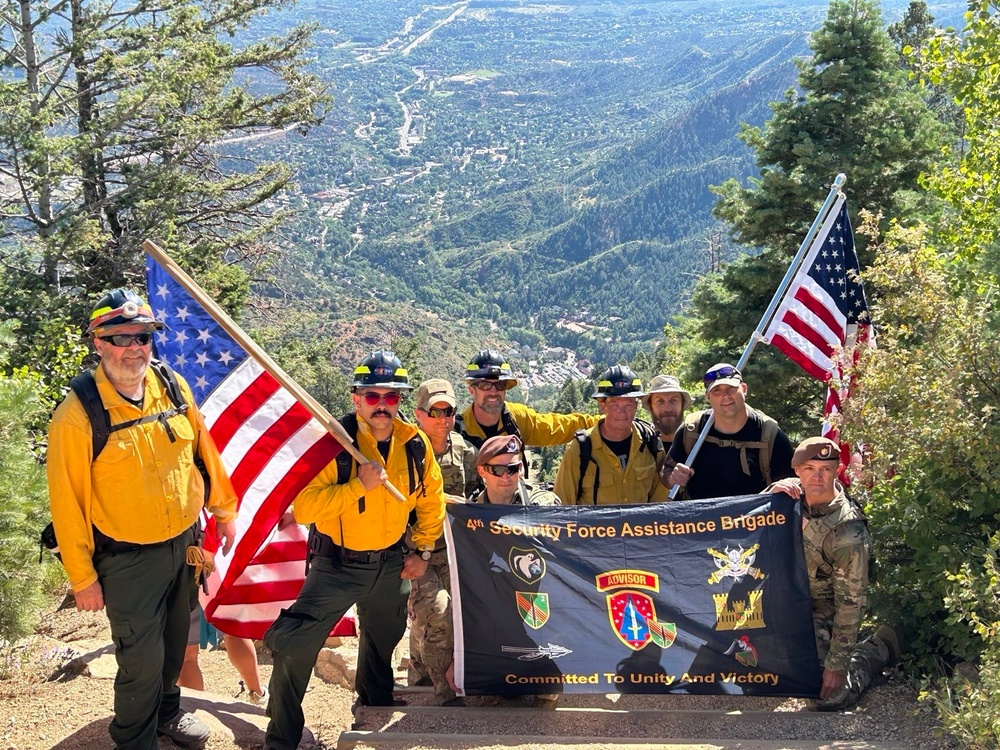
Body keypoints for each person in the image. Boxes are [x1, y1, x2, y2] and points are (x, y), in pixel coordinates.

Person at [47, 288, 238, 750]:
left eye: (144, 336)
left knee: (176, 645)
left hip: (182, 544)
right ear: (98, 342)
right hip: (126, 558)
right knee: (140, 658)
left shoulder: (170, 386)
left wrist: (223, 508)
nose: (134, 346)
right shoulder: (77, 415)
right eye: (121, 337)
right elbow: (67, 504)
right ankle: (134, 739)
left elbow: (202, 451)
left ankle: (167, 714)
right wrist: (82, 578)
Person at [262, 351, 445, 750]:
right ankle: (282, 737)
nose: (382, 405)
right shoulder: (334, 442)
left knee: (383, 638)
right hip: (335, 564)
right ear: (356, 398)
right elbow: (305, 507)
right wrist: (358, 486)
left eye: (391, 396)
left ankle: (373, 705)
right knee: (296, 645)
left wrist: (424, 551)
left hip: (390, 561)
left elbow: (431, 501)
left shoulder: (413, 445)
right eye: (372, 395)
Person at [765, 437, 900, 710]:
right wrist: (766, 495)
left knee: (825, 696)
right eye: (809, 468)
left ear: (837, 471)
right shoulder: (784, 499)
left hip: (819, 613)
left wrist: (837, 666)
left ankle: (877, 648)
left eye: (825, 469)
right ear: (797, 470)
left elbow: (851, 603)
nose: (817, 476)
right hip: (780, 607)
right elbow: (740, 528)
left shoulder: (848, 533)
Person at [466, 434, 561, 709]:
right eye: (498, 469)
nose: (507, 476)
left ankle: (547, 682)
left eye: (514, 468)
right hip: (494, 596)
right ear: (482, 470)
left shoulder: (541, 504)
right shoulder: (469, 513)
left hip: (535, 593)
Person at [407, 378, 478, 707]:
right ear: (419, 414)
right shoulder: (405, 451)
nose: (443, 417)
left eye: (448, 410)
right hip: (414, 553)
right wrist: (444, 500)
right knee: (437, 611)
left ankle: (424, 673)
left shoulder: (465, 451)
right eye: (434, 411)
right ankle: (445, 697)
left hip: (454, 552)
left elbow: (478, 497)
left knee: (458, 619)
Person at [661, 362, 794, 499]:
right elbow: (666, 472)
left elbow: (792, 484)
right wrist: (673, 478)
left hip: (754, 519)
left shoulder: (769, 434)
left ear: (744, 389)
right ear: (708, 397)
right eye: (716, 391)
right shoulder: (691, 429)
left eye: (731, 388)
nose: (725, 396)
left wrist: (780, 488)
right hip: (701, 519)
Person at [457, 349, 598, 468]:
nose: (493, 391)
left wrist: (606, 423)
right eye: (485, 385)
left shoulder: (516, 418)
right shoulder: (457, 431)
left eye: (500, 385)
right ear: (471, 390)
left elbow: (556, 426)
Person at [554, 365, 667, 505]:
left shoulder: (651, 443)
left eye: (628, 405)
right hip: (593, 527)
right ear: (603, 406)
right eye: (615, 405)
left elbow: (660, 503)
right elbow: (562, 505)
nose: (622, 412)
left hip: (639, 527)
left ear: (636, 406)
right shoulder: (580, 449)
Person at [641, 374, 692, 448]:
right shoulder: (641, 445)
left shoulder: (696, 442)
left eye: (674, 400)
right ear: (651, 406)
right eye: (660, 401)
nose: (668, 409)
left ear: (682, 404)